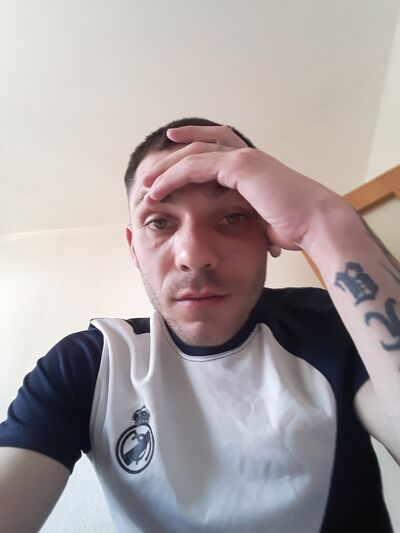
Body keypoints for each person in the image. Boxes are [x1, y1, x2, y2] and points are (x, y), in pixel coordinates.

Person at [0, 117, 399, 532]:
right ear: (134, 248)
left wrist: (324, 220)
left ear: (268, 232)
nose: (194, 256)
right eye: (159, 222)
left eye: (232, 218)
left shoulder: (332, 323)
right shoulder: (89, 365)